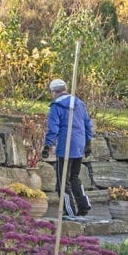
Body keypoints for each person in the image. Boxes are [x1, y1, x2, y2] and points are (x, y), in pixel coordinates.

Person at [41, 78, 93, 218]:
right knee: (74, 177)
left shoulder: (56, 106)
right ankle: (83, 204)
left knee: (63, 182)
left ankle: (68, 212)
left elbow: (53, 128)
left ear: (53, 92)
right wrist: (88, 143)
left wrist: (47, 145)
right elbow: (87, 123)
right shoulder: (79, 103)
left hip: (65, 146)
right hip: (79, 145)